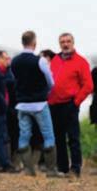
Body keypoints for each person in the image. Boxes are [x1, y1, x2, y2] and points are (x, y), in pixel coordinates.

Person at [10, 31, 61, 177]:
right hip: (39, 103)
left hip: (22, 104)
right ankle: (51, 170)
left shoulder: (15, 61)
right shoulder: (40, 61)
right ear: (34, 42)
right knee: (48, 135)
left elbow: (15, 79)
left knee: (24, 135)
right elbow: (50, 81)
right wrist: (45, 91)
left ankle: (28, 169)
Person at [48, 33, 94, 177]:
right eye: (62, 42)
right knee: (58, 137)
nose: (65, 44)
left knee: (73, 138)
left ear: (73, 43)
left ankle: (75, 169)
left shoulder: (81, 62)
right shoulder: (55, 59)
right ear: (59, 44)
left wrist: (76, 102)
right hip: (54, 104)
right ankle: (62, 168)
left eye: (68, 41)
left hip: (70, 104)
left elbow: (88, 85)